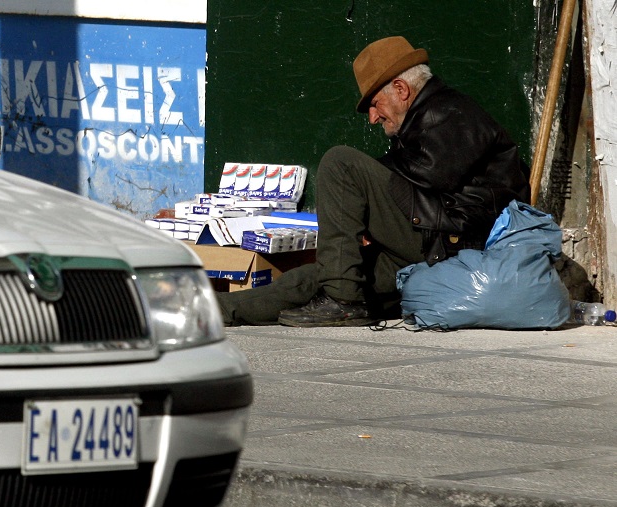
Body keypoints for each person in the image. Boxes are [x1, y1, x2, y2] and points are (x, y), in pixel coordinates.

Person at [217, 36, 530, 327]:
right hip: (428, 244)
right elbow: (407, 182)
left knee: (340, 163)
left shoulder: (449, 113)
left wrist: (364, 209)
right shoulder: (425, 119)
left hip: (453, 244)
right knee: (317, 278)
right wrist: (364, 213)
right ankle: (211, 310)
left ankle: (343, 301)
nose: (372, 117)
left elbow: (429, 178)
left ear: (401, 89)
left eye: (374, 104)